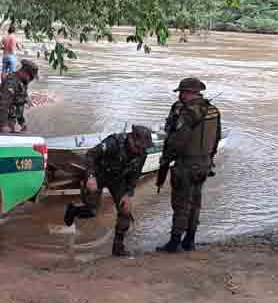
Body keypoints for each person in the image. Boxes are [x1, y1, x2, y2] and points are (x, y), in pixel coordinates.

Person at [63, 125, 154, 257]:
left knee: (125, 211)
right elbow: (90, 155)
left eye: (143, 148)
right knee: (92, 211)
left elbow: (135, 175)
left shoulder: (141, 153)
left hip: (118, 180)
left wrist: (128, 194)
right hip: (98, 175)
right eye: (139, 147)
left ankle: (118, 248)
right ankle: (73, 210)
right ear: (131, 139)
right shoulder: (114, 143)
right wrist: (90, 177)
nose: (140, 151)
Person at [155, 77, 222, 253]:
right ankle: (190, 240)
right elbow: (216, 138)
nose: (180, 96)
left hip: (186, 164)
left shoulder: (188, 113)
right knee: (195, 202)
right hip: (204, 164)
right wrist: (210, 159)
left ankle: (174, 243)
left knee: (181, 204)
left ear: (189, 93)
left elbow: (178, 141)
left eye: (182, 92)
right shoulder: (213, 111)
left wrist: (165, 159)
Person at [0, 59, 38, 133]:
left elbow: (19, 105)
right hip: (0, 119)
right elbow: (3, 104)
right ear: (24, 73)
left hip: (11, 118)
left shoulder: (22, 83)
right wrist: (4, 125)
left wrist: (22, 123)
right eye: (31, 77)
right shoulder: (11, 82)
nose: (31, 80)